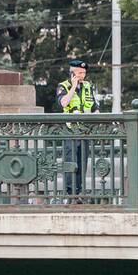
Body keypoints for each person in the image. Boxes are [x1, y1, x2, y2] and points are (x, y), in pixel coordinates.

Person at [56, 59, 98, 200]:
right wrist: (73, 86)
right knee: (70, 162)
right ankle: (70, 193)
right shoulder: (63, 86)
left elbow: (94, 107)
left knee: (82, 163)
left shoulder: (88, 86)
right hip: (70, 130)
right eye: (80, 73)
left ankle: (78, 192)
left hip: (85, 131)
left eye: (84, 73)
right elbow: (63, 103)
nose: (82, 75)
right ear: (72, 73)